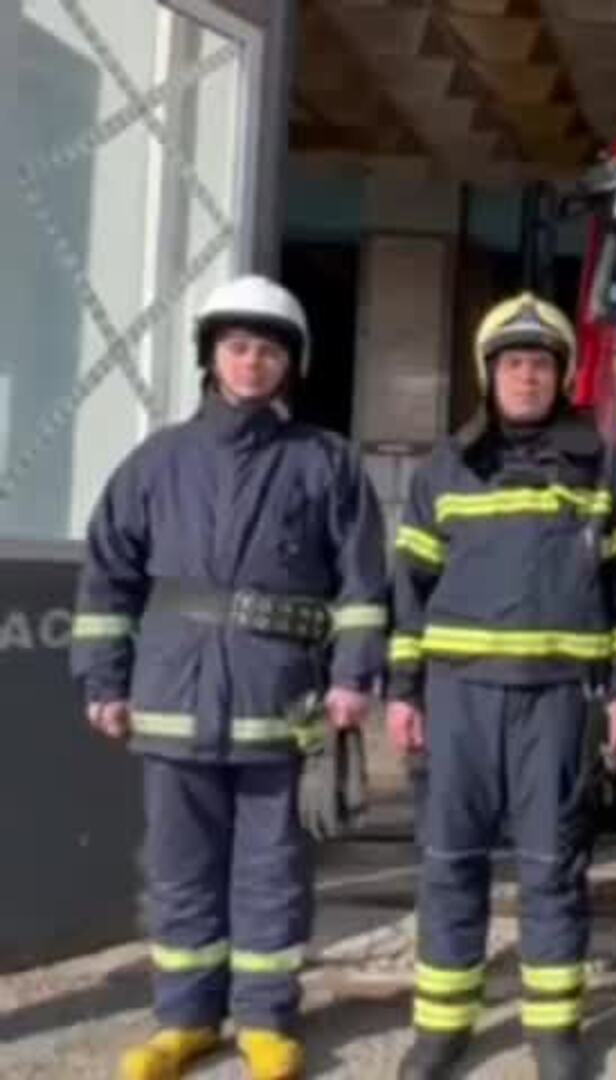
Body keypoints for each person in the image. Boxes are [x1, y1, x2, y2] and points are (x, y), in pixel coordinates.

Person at [71, 275, 388, 1080]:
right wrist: (103, 681)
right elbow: (108, 579)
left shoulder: (327, 463)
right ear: (211, 357)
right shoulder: (157, 462)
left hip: (278, 705)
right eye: (238, 347)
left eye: (270, 350)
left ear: (292, 365)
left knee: (272, 867)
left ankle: (266, 1020)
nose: (253, 363)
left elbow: (361, 584)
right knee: (180, 869)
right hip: (173, 700)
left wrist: (354, 677)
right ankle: (184, 1021)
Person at [387, 293, 616, 1080]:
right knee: (449, 863)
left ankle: (554, 1030)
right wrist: (404, 691)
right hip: (459, 696)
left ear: (562, 376)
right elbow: (409, 586)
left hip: (559, 700)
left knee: (552, 865)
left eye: (540, 365)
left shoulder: (606, 468)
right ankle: (442, 1028)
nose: (527, 378)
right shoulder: (446, 467)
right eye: (513, 365)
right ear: (488, 374)